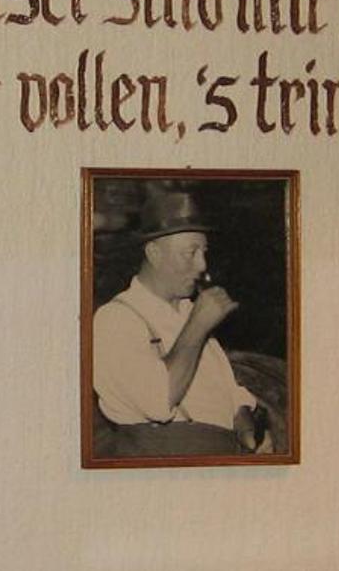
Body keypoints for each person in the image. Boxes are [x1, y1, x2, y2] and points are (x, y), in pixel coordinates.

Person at [91, 188, 269, 456]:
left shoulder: (187, 310)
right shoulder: (115, 319)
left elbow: (228, 392)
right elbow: (158, 402)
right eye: (190, 253)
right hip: (164, 459)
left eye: (204, 252)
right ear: (154, 253)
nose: (202, 265)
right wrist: (198, 325)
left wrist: (244, 426)